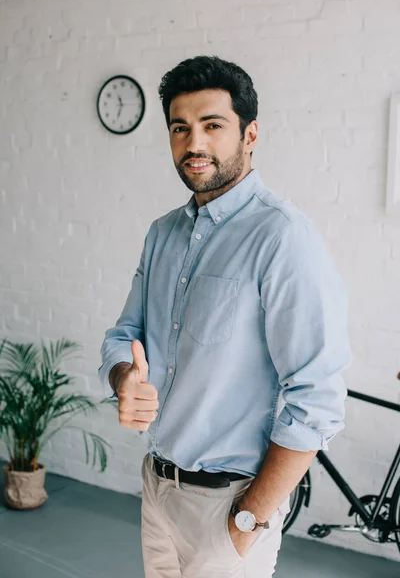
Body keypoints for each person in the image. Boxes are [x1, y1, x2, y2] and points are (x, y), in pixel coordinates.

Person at [98, 56, 352, 578]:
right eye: (180, 128)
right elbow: (125, 335)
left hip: (229, 507)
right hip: (156, 487)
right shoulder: (162, 234)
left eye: (213, 126)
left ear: (250, 133)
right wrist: (125, 377)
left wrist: (248, 519)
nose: (194, 144)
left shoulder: (283, 237)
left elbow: (318, 397)